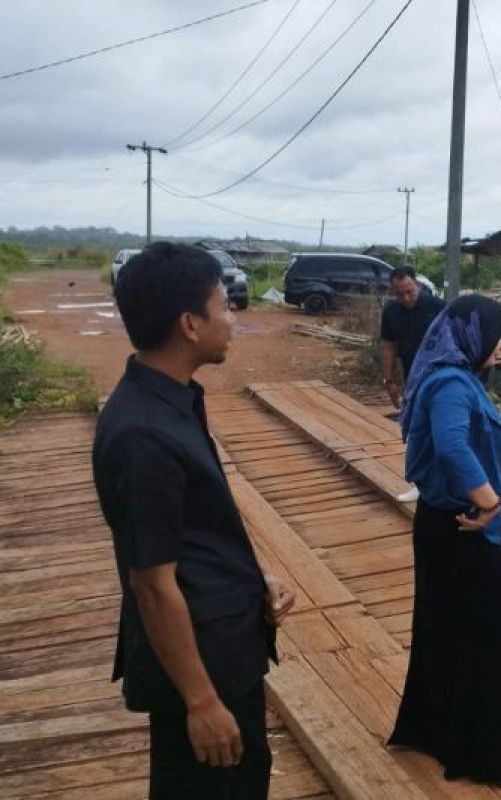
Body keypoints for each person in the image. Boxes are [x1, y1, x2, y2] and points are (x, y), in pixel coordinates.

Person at [93, 242, 295, 799]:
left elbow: (193, 531)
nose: (232, 318)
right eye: (223, 306)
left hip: (225, 645)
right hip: (200, 670)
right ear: (189, 324)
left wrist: (255, 579)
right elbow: (152, 584)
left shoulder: (170, 401)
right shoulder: (142, 435)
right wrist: (201, 702)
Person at [387, 294, 501, 789]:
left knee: (449, 632)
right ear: (469, 336)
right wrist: (488, 500)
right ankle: (496, 756)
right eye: (497, 335)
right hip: (465, 529)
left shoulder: (448, 378)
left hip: (445, 527)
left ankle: (437, 730)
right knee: (499, 640)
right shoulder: (452, 385)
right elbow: (453, 444)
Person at [380, 265, 444, 409]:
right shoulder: (391, 312)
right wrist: (389, 381)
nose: (406, 298)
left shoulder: (437, 307)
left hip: (439, 374)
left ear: (417, 285)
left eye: (410, 292)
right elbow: (388, 347)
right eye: (400, 294)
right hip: (411, 375)